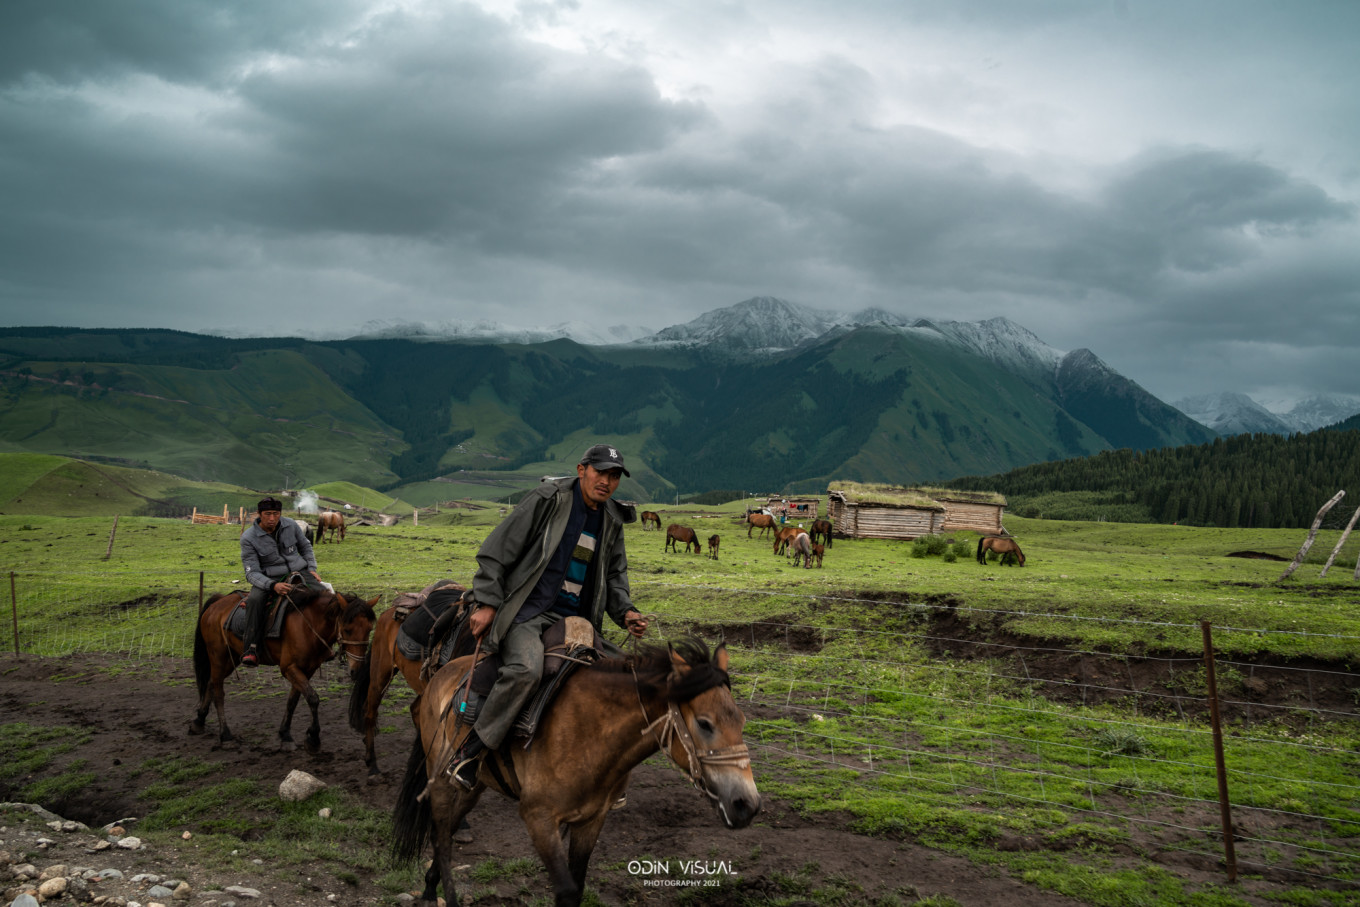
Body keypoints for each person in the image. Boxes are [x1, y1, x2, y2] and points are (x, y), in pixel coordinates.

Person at [450, 444, 649, 788]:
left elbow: (615, 576)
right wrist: (486, 602)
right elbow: (498, 550)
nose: (606, 481)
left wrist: (627, 611)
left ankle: (601, 771)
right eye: (600, 472)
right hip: (529, 611)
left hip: (578, 620)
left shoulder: (612, 520)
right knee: (526, 670)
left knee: (624, 676)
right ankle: (471, 751)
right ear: (581, 469)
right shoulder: (549, 500)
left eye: (614, 476)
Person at [239, 497, 323, 667]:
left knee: (325, 596)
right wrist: (272, 585)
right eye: (268, 514)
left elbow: (305, 547)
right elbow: (251, 573)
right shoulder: (249, 538)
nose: (272, 518)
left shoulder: (290, 525)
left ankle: (326, 642)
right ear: (259, 514)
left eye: (276, 514)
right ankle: (251, 649)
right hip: (269, 578)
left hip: (299, 571)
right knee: (255, 600)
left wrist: (312, 568)